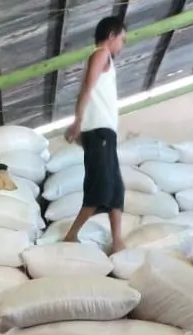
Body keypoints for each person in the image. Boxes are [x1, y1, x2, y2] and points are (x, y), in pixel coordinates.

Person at [62, 17, 128, 254]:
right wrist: (77, 122)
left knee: (117, 189)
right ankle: (71, 235)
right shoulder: (100, 54)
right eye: (122, 39)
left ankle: (117, 241)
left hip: (105, 132)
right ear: (111, 36)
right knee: (100, 189)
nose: (122, 45)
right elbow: (86, 89)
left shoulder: (104, 57)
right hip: (98, 132)